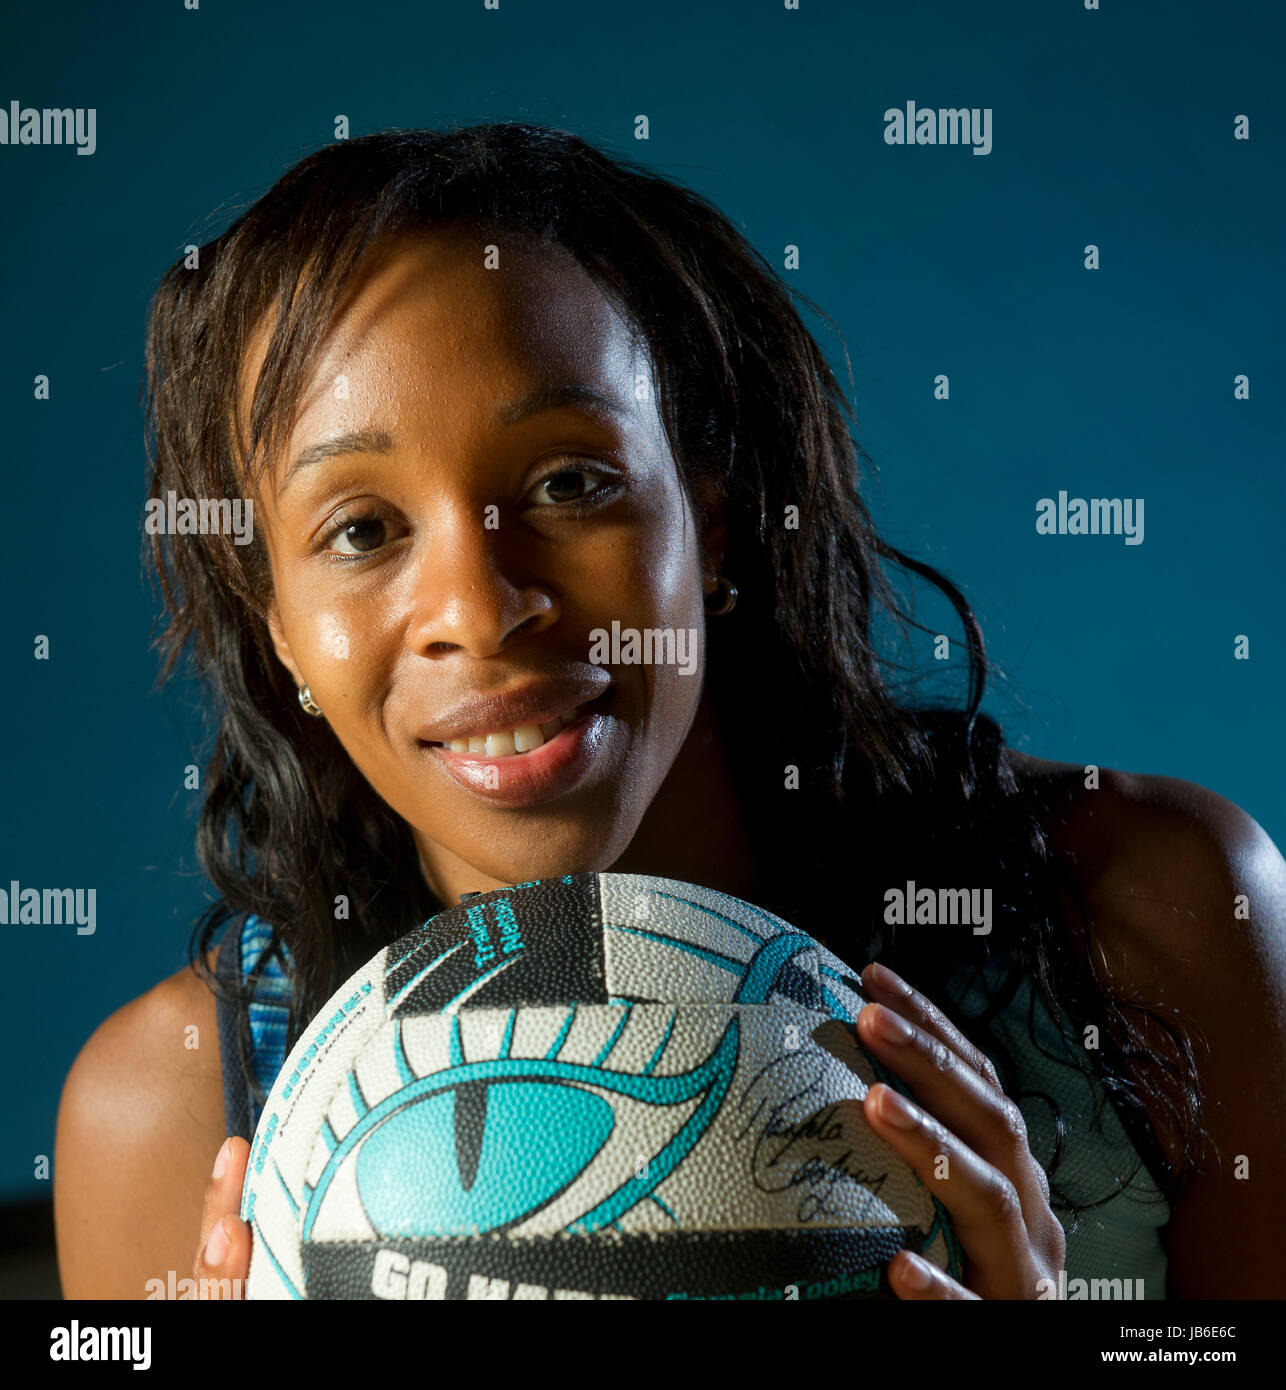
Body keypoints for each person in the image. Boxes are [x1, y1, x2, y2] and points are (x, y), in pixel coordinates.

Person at [53, 123, 1286, 1301]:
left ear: (713, 510)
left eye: (568, 482)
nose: (479, 611)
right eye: (362, 530)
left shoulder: (1151, 912)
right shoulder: (170, 1116)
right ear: (275, 622)